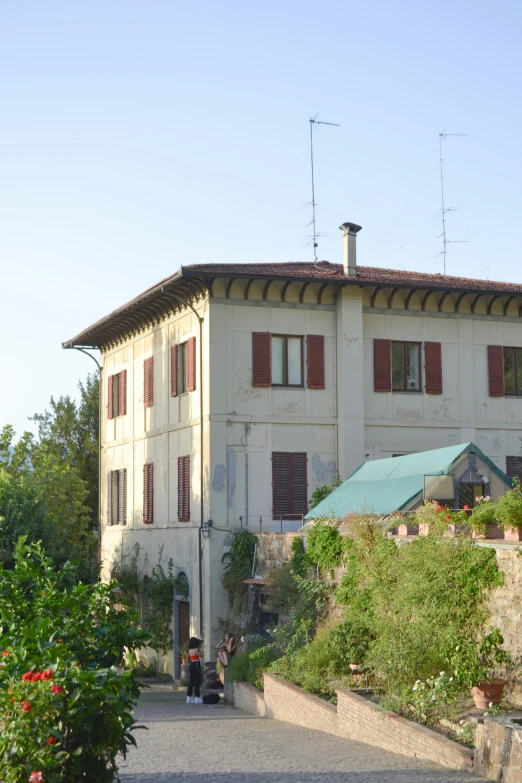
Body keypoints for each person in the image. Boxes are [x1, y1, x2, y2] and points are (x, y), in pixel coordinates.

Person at [186, 637, 204, 704]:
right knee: (197, 681)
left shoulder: (190, 650)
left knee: (191, 681)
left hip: (191, 664)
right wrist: (200, 649)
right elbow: (201, 655)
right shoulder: (195, 651)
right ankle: (197, 697)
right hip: (196, 664)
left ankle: (189, 697)